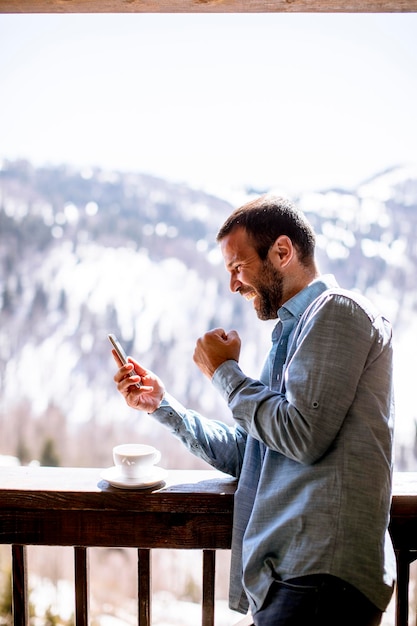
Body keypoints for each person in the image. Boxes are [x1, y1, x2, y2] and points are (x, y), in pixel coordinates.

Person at [112, 194, 396, 626]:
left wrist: (225, 372)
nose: (233, 284)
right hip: (292, 578)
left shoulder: (337, 311)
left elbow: (301, 435)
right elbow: (252, 455)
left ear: (282, 252)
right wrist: (163, 406)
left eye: (237, 267)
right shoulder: (292, 335)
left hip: (321, 575)